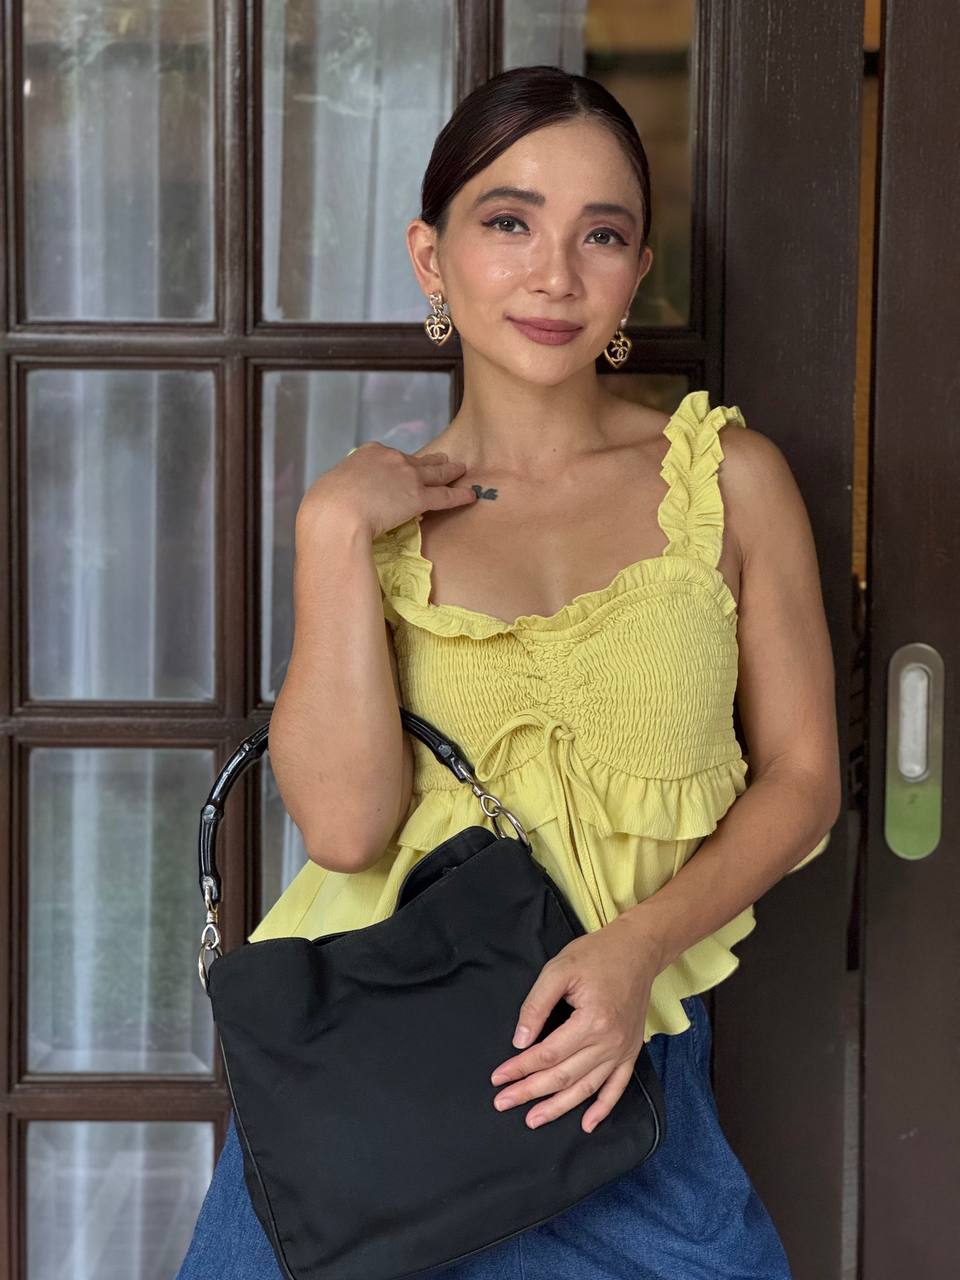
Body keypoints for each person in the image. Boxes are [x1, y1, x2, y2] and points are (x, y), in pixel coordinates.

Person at [176, 64, 840, 1280]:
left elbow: (803, 779)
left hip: (624, 1075)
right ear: (431, 258)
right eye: (510, 222)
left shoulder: (730, 480)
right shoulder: (372, 519)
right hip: (377, 1092)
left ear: (638, 273)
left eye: (602, 234)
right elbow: (345, 830)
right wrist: (329, 531)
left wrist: (636, 948)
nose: (555, 275)